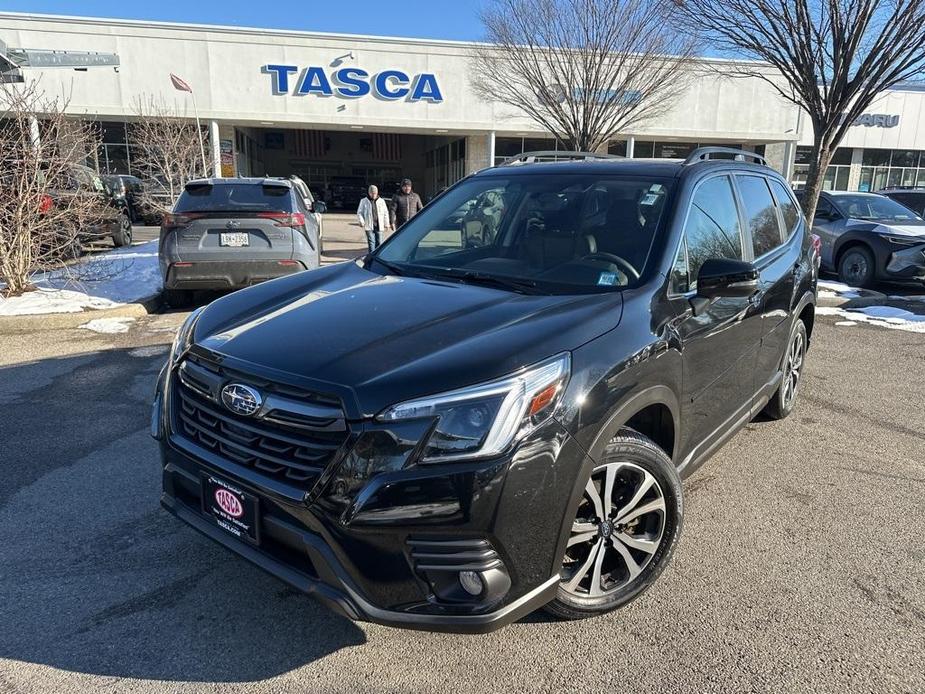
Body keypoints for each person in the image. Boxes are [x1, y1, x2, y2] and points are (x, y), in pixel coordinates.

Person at [357, 184, 390, 253]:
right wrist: (361, 221)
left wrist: (387, 223)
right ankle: (371, 258)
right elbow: (359, 212)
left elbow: (385, 213)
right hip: (369, 226)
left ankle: (378, 258)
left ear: (377, 192)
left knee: (379, 243)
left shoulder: (381, 201)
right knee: (371, 244)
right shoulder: (364, 201)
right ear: (369, 193)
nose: (373, 195)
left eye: (375, 193)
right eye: (372, 193)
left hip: (379, 225)